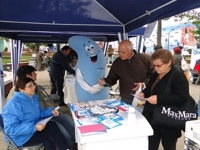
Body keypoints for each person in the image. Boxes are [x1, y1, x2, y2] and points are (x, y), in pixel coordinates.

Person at [6, 65, 77, 150]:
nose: (34, 88)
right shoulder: (14, 104)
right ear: (21, 89)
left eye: (33, 85)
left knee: (52, 126)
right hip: (22, 137)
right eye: (30, 86)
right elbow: (10, 129)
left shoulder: (32, 97)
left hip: (34, 126)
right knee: (53, 134)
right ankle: (68, 146)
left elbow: (38, 112)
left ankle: (69, 146)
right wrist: (34, 127)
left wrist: (50, 112)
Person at [138, 49, 189, 150]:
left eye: (159, 65)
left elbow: (182, 97)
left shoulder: (177, 75)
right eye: (154, 65)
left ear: (169, 62)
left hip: (168, 120)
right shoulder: (155, 74)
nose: (156, 68)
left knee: (169, 146)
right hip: (152, 118)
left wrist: (159, 99)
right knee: (150, 145)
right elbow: (150, 89)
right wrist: (144, 93)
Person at [98, 40, 154, 104]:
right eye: (119, 51)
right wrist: (105, 81)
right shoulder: (117, 62)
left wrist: (144, 84)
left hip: (144, 95)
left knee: (143, 114)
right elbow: (112, 78)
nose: (120, 54)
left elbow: (153, 75)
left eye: (123, 52)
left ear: (131, 50)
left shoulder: (143, 58)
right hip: (126, 96)